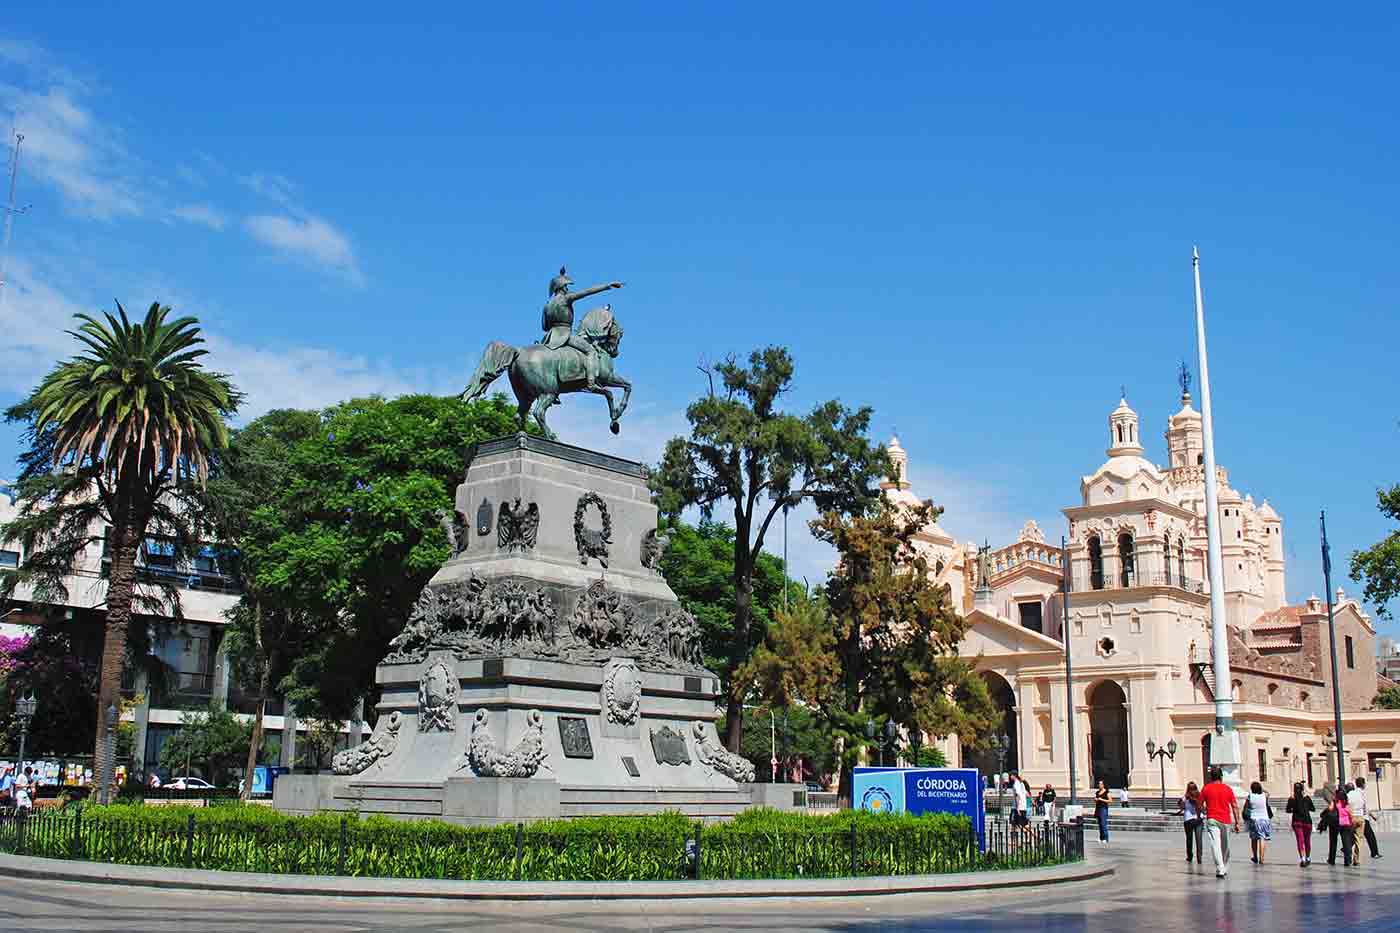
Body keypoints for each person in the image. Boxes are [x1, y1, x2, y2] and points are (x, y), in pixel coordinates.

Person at [1200, 767, 1240, 879]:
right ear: (1221, 776)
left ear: (1211, 777)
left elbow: (1199, 804)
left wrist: (1202, 812)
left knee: (1215, 844)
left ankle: (1220, 867)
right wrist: (1237, 822)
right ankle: (1223, 867)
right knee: (1225, 845)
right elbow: (1235, 806)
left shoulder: (1206, 788)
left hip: (1212, 818)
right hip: (1225, 820)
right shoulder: (1227, 789)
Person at [1349, 777, 1381, 860]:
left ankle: (1345, 848)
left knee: (1356, 835)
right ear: (1363, 784)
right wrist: (1372, 816)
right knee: (1369, 836)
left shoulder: (1353, 793)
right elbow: (1365, 807)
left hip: (1354, 816)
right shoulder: (1362, 793)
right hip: (1363, 818)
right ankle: (1374, 853)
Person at [1285, 782, 1315, 867]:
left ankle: (1302, 858)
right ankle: (1308, 857)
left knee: (1300, 840)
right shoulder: (1307, 798)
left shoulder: (1292, 799)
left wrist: (1294, 809)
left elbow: (1287, 810)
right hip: (1307, 821)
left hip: (1297, 821)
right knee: (1307, 840)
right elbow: (1313, 808)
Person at [1244, 781, 1273, 864]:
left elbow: (1246, 806)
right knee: (1262, 838)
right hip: (1264, 819)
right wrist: (1262, 789)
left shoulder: (1250, 796)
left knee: (1254, 839)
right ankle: (1262, 858)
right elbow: (1268, 793)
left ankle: (1255, 856)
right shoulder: (1264, 796)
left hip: (1254, 820)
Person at [1181, 782, 1205, 864]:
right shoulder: (1199, 796)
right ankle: (1199, 858)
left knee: (1189, 839)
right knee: (1199, 839)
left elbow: (1181, 806)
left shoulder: (1186, 796)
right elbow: (1202, 807)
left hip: (1188, 820)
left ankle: (1189, 856)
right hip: (1198, 819)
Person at [1334, 789, 1358, 867]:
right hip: (1347, 825)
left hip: (1340, 825)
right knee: (1349, 843)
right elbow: (1351, 815)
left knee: (1345, 842)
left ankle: (1346, 860)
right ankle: (1348, 860)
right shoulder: (1347, 805)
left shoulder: (1337, 804)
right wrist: (1352, 823)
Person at [1094, 780, 1111, 844]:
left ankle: (1106, 838)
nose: (1099, 785)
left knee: (1103, 824)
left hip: (1103, 809)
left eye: (1100, 784)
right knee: (1100, 824)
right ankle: (1101, 838)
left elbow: (1110, 800)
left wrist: (1101, 799)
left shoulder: (1106, 792)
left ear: (1103, 785)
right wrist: (1095, 800)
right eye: (1098, 784)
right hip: (1098, 809)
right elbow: (1096, 800)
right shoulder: (1097, 792)